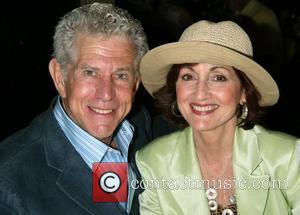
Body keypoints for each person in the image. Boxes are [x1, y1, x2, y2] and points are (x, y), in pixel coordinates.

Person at [136, 20, 300, 214]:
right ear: (175, 87)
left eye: (218, 77)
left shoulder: (287, 158)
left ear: (244, 92)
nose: (200, 93)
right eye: (188, 76)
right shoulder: (153, 161)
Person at [0, 3, 149, 215]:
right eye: (90, 72)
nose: (106, 93)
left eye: (121, 75)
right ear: (59, 77)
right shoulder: (8, 185)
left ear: (135, 84)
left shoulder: (141, 127)